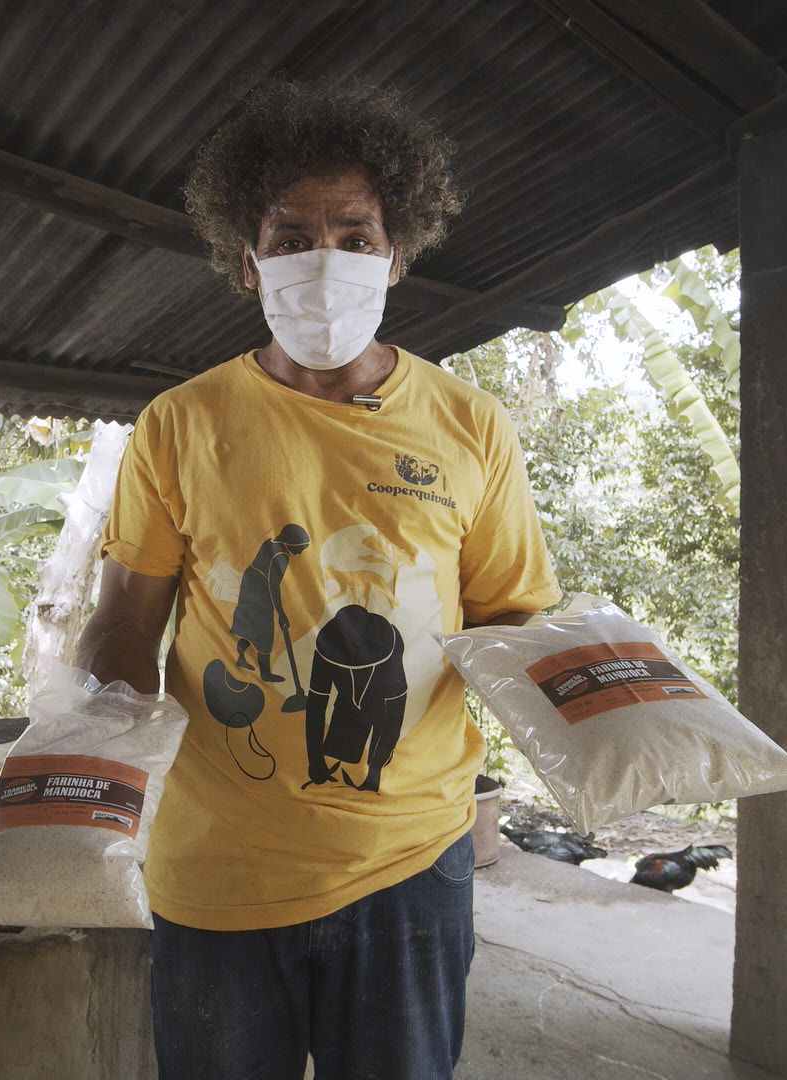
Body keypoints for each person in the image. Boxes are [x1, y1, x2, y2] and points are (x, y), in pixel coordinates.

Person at [76, 77, 559, 1080]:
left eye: (353, 233)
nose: (323, 262)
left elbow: (512, 615)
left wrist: (602, 699)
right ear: (247, 265)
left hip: (409, 868)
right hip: (215, 871)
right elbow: (125, 620)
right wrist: (93, 758)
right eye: (290, 240)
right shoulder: (182, 423)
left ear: (396, 254)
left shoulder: (472, 428)